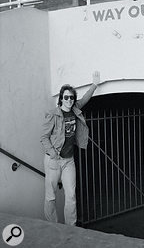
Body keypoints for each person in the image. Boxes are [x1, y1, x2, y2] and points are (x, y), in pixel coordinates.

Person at [40, 71, 100, 225]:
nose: (69, 100)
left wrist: (94, 85)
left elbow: (85, 99)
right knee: (51, 195)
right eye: (66, 97)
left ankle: (71, 227)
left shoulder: (74, 109)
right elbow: (44, 137)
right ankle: (52, 225)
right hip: (53, 160)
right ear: (61, 98)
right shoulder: (53, 115)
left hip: (68, 160)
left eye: (71, 97)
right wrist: (53, 154)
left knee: (71, 195)